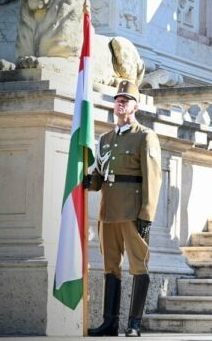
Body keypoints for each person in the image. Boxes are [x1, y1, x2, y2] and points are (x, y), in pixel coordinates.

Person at [84, 80, 162, 337]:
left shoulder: (145, 136)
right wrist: (89, 180)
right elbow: (100, 177)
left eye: (126, 99)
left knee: (138, 266)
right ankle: (110, 323)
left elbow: (152, 177)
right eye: (118, 98)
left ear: (135, 105)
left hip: (132, 211)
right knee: (110, 267)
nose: (120, 102)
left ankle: (134, 324)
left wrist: (146, 214)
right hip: (108, 212)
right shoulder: (105, 138)